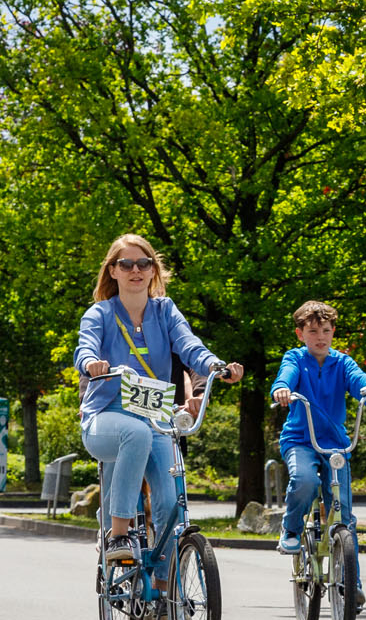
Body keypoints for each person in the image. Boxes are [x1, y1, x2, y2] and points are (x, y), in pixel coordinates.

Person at [74, 234, 242, 565]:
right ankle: (117, 534)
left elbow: (189, 344)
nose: (136, 270)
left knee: (171, 500)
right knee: (134, 434)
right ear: (113, 271)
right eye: (126, 264)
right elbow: (85, 347)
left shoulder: (165, 310)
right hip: (106, 415)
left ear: (153, 270)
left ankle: (167, 586)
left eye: (144, 263)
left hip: (155, 414)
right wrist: (91, 362)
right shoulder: (99, 313)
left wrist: (214, 365)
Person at [270, 300, 366, 606]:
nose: (320, 337)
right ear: (300, 334)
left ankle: (352, 585)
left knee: (344, 515)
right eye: (313, 331)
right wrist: (282, 389)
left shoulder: (343, 363)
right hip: (300, 440)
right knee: (305, 480)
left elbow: (361, 382)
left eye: (325, 330)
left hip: (336, 444)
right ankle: (291, 529)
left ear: (333, 332)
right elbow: (285, 375)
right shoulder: (295, 358)